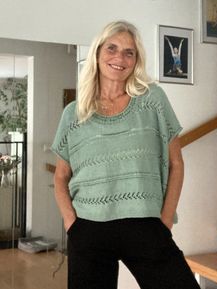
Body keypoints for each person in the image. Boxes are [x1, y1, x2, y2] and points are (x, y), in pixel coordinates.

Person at [52, 20, 200, 289]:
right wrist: (71, 222)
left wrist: (165, 221)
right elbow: (61, 176)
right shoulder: (73, 113)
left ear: (136, 60)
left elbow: (176, 163)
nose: (119, 57)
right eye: (112, 48)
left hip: (145, 224)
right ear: (97, 53)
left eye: (129, 52)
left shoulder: (153, 100)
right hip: (88, 228)